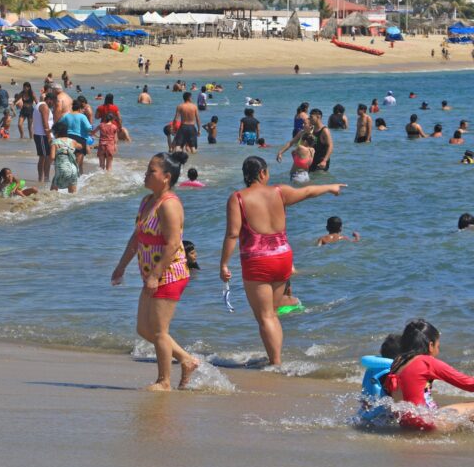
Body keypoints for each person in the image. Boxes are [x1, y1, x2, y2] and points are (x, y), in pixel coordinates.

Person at [219, 156, 345, 364]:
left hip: (258, 261)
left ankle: (275, 362)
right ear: (262, 173)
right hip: (283, 258)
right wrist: (330, 187)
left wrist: (224, 263)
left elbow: (233, 234)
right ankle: (276, 359)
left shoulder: (238, 198)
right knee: (273, 313)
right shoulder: (279, 192)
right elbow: (307, 192)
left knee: (265, 316)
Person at [112, 151, 199, 391]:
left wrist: (155, 275)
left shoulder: (169, 204)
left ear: (166, 177)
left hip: (169, 273)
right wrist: (121, 266)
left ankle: (164, 382)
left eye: (151, 171)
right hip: (151, 274)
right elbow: (137, 238)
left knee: (160, 331)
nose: (146, 174)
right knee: (144, 328)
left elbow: (172, 244)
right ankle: (186, 360)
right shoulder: (146, 201)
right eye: (147, 169)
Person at [384, 319, 474, 431]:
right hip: (426, 425)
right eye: (438, 346)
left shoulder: (397, 362)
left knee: (452, 408)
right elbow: (470, 384)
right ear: (430, 345)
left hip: (406, 425)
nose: (438, 350)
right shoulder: (426, 362)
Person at [59, 99, 93, 175]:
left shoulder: (66, 116)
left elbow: (59, 125)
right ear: (80, 108)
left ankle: (68, 178)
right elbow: (88, 128)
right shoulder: (82, 116)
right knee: (78, 164)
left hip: (67, 139)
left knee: (69, 161)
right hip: (79, 139)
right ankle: (78, 181)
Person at [50, 122, 81, 193]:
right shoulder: (72, 141)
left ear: (56, 132)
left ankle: (51, 204)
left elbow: (52, 157)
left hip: (62, 168)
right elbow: (80, 146)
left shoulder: (55, 142)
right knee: (72, 193)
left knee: (53, 191)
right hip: (74, 169)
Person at [33, 92, 55, 183]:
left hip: (40, 135)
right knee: (47, 157)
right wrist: (49, 137)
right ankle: (46, 179)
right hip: (43, 135)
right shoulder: (44, 107)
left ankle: (41, 178)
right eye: (53, 102)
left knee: (43, 157)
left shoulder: (40, 104)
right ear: (49, 100)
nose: (53, 104)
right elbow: (45, 123)